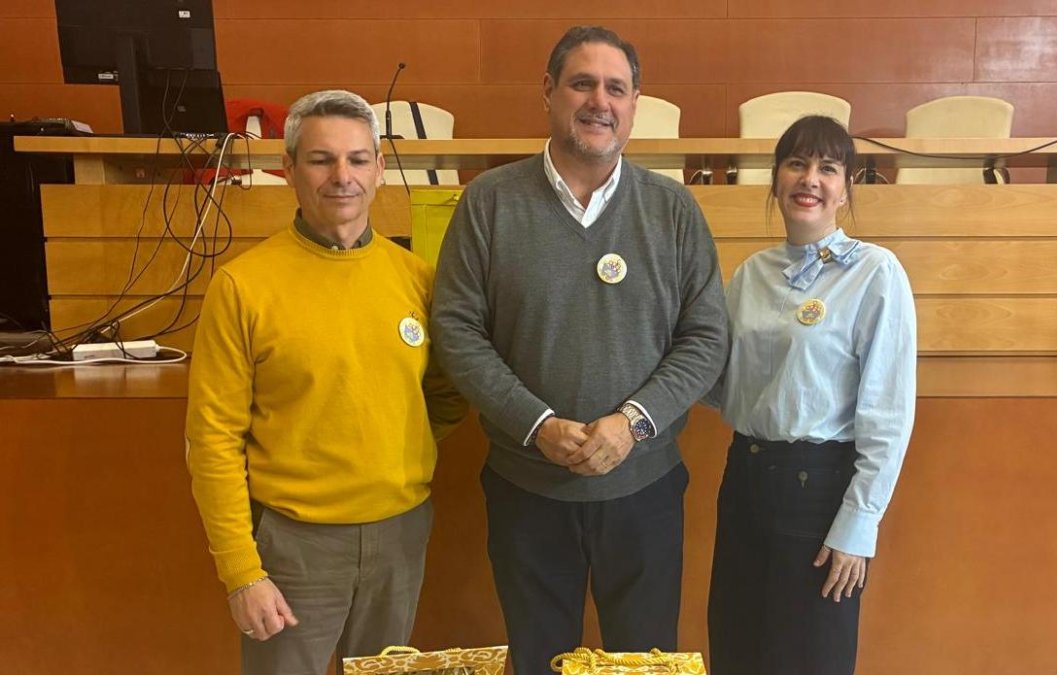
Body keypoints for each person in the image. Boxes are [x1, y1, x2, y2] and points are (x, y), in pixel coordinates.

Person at [430, 25, 728, 675]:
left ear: (634, 103)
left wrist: (633, 422)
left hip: (645, 488)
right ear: (548, 91)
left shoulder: (672, 209)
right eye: (583, 83)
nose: (600, 101)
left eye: (616, 88)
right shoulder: (489, 204)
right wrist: (534, 424)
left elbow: (707, 337)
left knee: (642, 661)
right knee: (539, 659)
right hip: (525, 490)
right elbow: (456, 329)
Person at [185, 89, 466, 675]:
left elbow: (445, 395)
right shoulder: (243, 288)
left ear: (380, 169)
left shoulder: (414, 277)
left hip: (400, 536)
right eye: (321, 160)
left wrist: (391, 451)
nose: (343, 176)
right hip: (294, 548)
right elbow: (212, 441)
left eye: (358, 159)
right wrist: (242, 571)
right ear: (288, 169)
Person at [706, 115, 917, 675]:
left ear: (846, 188)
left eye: (828, 167)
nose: (810, 179)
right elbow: (718, 380)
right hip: (745, 478)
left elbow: (888, 415)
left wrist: (859, 523)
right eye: (797, 163)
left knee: (808, 658)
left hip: (819, 492)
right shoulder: (752, 274)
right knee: (738, 647)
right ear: (776, 179)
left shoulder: (876, 274)